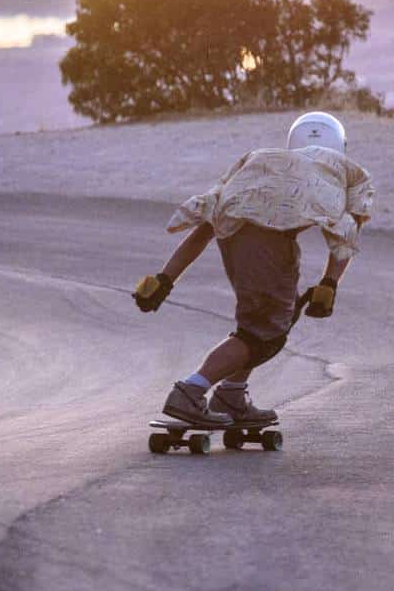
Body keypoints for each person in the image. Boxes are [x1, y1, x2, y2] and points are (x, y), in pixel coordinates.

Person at [133, 112, 375, 427]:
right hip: (268, 244)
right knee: (265, 335)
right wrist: (330, 283)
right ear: (340, 145)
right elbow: (346, 232)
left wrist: (164, 279)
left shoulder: (263, 161)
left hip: (234, 239)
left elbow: (210, 219)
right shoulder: (349, 172)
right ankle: (191, 391)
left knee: (265, 319)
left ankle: (231, 394)